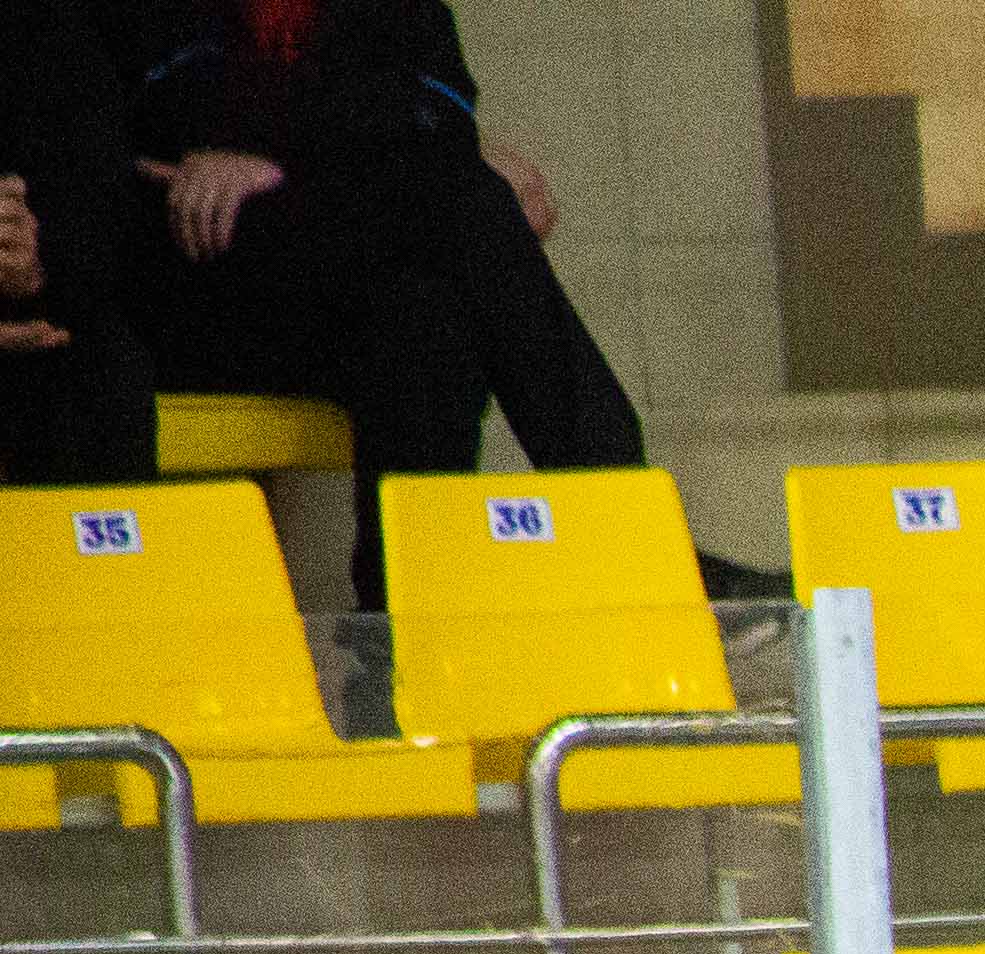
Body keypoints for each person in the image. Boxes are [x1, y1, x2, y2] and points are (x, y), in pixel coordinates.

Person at [96, 0, 659, 614]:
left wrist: (285, 162)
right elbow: (85, 141)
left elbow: (438, 117)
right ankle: (625, 526)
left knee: (427, 307)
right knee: (468, 204)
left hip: (350, 280)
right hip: (189, 285)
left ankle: (406, 624)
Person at [2, 0, 159, 485]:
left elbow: (95, 209)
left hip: (33, 328)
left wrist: (33, 262)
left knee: (99, 367)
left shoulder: (44, 30)